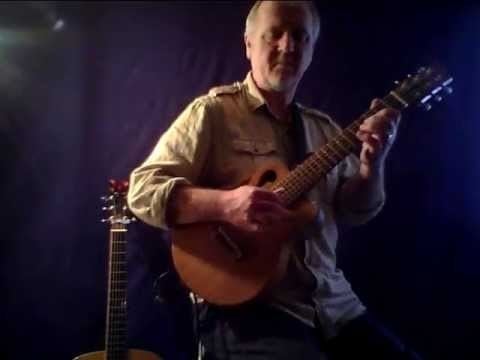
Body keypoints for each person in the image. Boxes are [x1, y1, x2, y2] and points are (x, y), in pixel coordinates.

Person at [127, 1, 422, 359]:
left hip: (334, 305)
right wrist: (225, 205)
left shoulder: (326, 130)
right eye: (275, 34)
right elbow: (143, 191)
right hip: (248, 309)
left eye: (301, 36)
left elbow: (356, 211)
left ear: (312, 50)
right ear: (249, 44)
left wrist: (373, 165)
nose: (288, 46)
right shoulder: (213, 113)